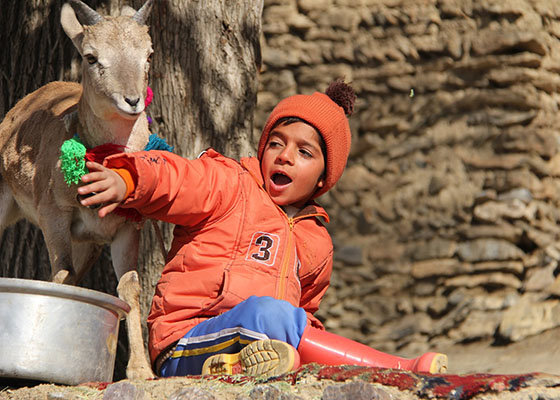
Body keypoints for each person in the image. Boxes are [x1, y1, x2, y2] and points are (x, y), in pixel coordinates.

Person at [77, 80, 448, 378]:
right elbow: (177, 177)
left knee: (291, 336)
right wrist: (128, 178)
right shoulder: (231, 184)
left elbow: (307, 314)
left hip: (256, 344)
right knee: (271, 316)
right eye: (276, 143)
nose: (285, 155)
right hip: (185, 339)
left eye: (305, 152)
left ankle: (229, 370)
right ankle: (396, 369)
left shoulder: (317, 242)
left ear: (323, 178)